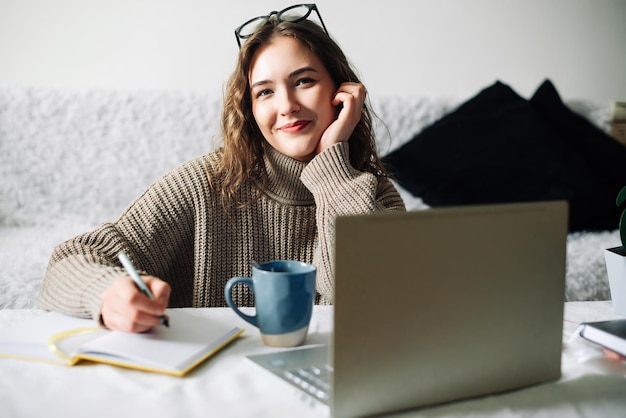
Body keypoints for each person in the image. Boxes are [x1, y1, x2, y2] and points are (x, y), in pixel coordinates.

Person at [38, 4, 405, 332]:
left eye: (303, 81)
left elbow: (381, 301)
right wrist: (106, 294)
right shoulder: (204, 184)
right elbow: (70, 260)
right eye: (265, 92)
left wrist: (332, 165)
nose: (287, 105)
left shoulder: (372, 194)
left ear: (341, 92)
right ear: (250, 109)